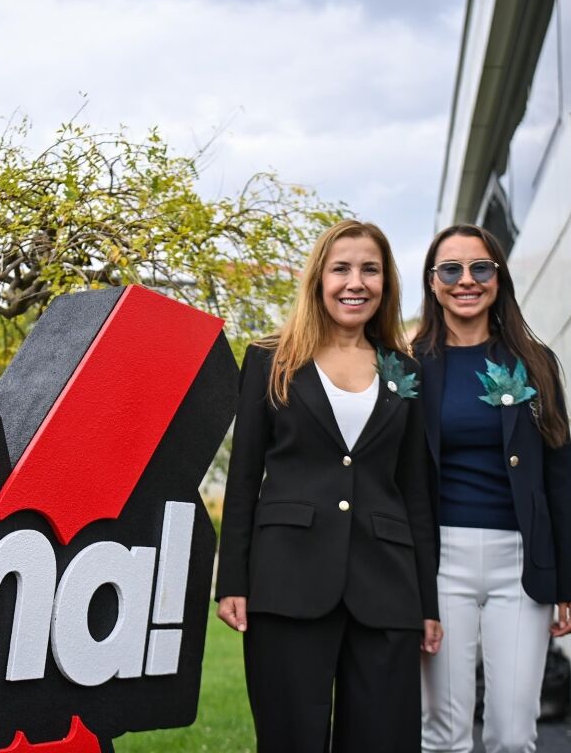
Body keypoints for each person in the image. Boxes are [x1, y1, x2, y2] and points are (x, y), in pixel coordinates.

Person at [215, 219, 442, 753]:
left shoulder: (405, 369)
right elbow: (243, 479)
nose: (355, 282)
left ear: (386, 282)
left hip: (386, 588)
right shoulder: (269, 360)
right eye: (341, 269)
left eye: (370, 270)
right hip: (286, 582)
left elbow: (415, 491)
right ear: (319, 278)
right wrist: (233, 581)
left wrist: (426, 601)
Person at [415, 224, 571, 753]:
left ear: (499, 277)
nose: (466, 280)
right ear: (433, 282)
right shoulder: (408, 366)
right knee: (443, 733)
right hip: (439, 563)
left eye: (481, 268)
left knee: (514, 734)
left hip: (521, 564)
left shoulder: (535, 363)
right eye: (451, 269)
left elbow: (559, 476)